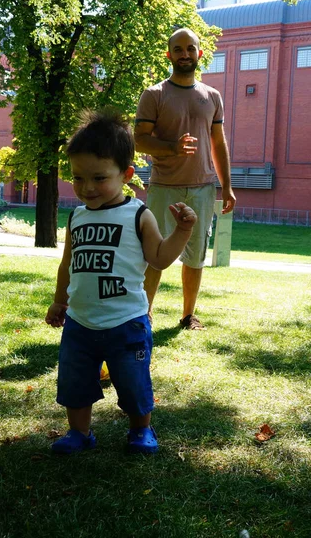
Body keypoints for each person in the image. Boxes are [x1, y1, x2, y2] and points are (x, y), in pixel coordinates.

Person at [45, 108, 197, 455]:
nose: (87, 187)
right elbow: (68, 262)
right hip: (80, 322)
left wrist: (183, 231)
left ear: (127, 174)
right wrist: (59, 300)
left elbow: (159, 258)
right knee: (75, 381)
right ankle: (79, 432)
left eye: (99, 178)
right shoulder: (77, 216)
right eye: (78, 178)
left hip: (126, 322)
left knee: (133, 382)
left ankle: (140, 429)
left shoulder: (138, 214)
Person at [134, 27, 236, 331]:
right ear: (169, 55)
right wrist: (171, 148)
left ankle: (188, 315)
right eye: (178, 49)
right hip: (165, 187)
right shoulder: (154, 94)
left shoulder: (212, 96)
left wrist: (227, 186)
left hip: (203, 188)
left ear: (199, 54)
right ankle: (144, 314)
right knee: (155, 254)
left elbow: (218, 143)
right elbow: (139, 140)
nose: (184, 54)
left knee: (196, 255)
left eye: (190, 48)